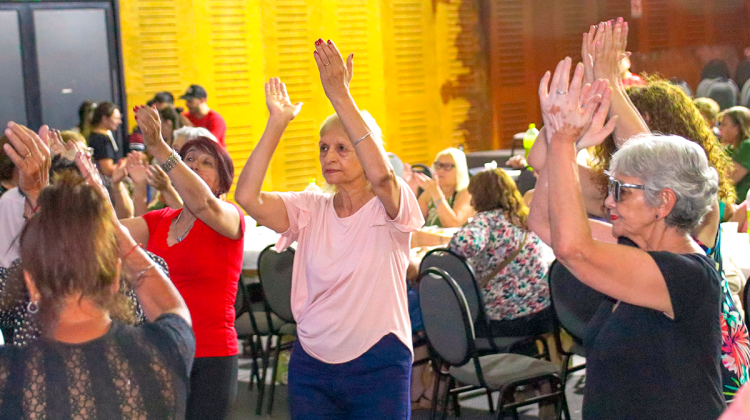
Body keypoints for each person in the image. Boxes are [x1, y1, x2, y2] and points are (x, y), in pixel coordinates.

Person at [235, 39, 423, 419]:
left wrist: (340, 96)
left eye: (342, 147)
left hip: (378, 361)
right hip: (312, 363)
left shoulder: (390, 208)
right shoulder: (312, 208)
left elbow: (383, 177)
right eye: (323, 148)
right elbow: (247, 197)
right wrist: (277, 123)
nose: (329, 156)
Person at [530, 57, 724, 418]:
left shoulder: (686, 274)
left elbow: (574, 249)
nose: (607, 200)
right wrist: (563, 142)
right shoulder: (636, 249)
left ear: (663, 202)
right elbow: (545, 225)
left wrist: (563, 141)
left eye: (621, 190)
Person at [0, 153, 195, 417]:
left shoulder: (9, 375)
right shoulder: (166, 350)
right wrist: (112, 226)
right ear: (116, 276)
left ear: (32, 285)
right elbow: (171, 306)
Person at [120, 104, 244, 420]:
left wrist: (160, 148)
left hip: (212, 355)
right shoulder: (160, 220)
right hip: (162, 352)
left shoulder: (228, 216)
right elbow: (108, 234)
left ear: (221, 181)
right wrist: (88, 179)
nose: (195, 167)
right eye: (189, 161)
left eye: (206, 163)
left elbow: (202, 202)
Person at [449, 168, 552, 338]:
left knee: (453, 317)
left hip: (504, 318)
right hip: (542, 313)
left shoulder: (486, 221)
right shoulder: (526, 217)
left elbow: (462, 244)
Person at [413, 147, 473, 227]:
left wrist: (437, 195)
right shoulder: (430, 191)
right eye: (438, 165)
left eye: (447, 166)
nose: (440, 171)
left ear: (459, 170)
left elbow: (453, 224)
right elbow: (412, 222)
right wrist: (412, 191)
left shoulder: (466, 193)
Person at [717, 106, 750, 203]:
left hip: (741, 206)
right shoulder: (728, 149)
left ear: (737, 128)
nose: (720, 128)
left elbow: (729, 178)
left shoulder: (747, 146)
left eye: (724, 124)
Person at [88, 101, 124, 178]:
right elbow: (107, 170)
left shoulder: (95, 136)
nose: (119, 122)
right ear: (104, 119)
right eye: (116, 118)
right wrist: (128, 163)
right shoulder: (101, 140)